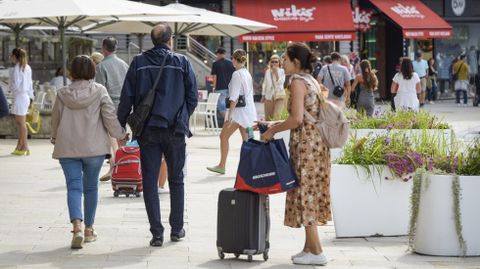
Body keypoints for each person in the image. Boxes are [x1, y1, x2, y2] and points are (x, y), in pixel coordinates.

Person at [117, 23, 197, 247]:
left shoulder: (138, 62)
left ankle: (157, 234)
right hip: (175, 130)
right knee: (176, 180)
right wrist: (182, 117)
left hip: (147, 131)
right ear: (170, 40)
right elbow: (192, 97)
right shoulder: (182, 62)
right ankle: (177, 229)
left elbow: (126, 98)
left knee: (150, 182)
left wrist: (120, 127)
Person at [261, 42, 330, 266]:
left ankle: (317, 251)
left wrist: (271, 130)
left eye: (285, 59)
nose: (282, 63)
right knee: (308, 192)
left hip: (306, 147)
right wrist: (269, 123)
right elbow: (305, 116)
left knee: (306, 194)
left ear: (296, 62)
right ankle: (308, 248)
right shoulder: (311, 80)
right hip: (316, 145)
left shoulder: (298, 82)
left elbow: (297, 119)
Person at [51, 55, 128, 249]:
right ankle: (89, 230)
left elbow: (55, 120)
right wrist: (120, 135)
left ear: (72, 72)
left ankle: (76, 226)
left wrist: (54, 138)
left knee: (73, 187)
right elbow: (110, 117)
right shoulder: (100, 91)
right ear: (92, 71)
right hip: (94, 149)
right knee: (91, 188)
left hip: (68, 148)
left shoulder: (62, 94)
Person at [207, 49, 257, 175]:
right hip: (248, 113)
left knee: (223, 136)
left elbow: (233, 97)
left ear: (234, 60)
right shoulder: (247, 73)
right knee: (247, 141)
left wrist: (229, 115)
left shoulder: (237, 74)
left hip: (238, 114)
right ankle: (249, 169)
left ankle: (222, 165)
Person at [95, 36, 129, 182]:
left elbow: (99, 90)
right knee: (122, 137)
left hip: (109, 104)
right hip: (125, 104)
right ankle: (125, 165)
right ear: (116, 48)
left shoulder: (101, 66)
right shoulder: (124, 64)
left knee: (110, 138)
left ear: (103, 48)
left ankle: (114, 166)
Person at [9, 48, 34, 156]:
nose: (10, 57)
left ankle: (25, 146)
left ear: (15, 56)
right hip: (25, 97)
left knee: (21, 124)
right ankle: (20, 145)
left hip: (20, 97)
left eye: (12, 55)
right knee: (21, 124)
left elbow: (16, 85)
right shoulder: (27, 67)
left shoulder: (17, 68)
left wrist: (10, 85)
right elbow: (29, 85)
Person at [211, 47, 235, 119]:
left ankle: (227, 121)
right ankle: (230, 119)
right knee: (229, 105)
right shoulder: (231, 63)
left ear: (218, 54)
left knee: (221, 107)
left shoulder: (215, 63)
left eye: (217, 54)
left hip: (220, 88)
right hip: (230, 88)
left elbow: (214, 77)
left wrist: (214, 87)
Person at [261, 54, 286, 120]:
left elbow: (281, 83)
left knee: (276, 118)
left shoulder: (282, 71)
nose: (274, 63)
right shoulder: (267, 71)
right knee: (268, 117)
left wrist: (276, 73)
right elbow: (265, 83)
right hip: (269, 96)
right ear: (270, 62)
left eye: (276, 62)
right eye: (272, 62)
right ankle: (268, 130)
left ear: (279, 62)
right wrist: (263, 95)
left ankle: (275, 130)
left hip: (279, 96)